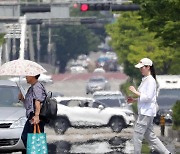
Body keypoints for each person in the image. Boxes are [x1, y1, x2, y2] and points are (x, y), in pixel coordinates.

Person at [127, 58, 171, 154]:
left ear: (148, 67)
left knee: (137, 135)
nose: (140, 69)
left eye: (142, 67)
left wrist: (135, 91)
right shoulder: (146, 80)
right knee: (150, 136)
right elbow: (146, 97)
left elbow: (148, 98)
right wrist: (134, 99)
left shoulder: (150, 81)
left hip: (146, 113)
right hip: (146, 111)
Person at [18, 74, 46, 150]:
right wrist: (22, 98)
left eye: (27, 75)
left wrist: (37, 116)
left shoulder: (37, 86)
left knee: (30, 138)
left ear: (33, 76)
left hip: (35, 117)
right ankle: (32, 151)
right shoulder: (32, 88)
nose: (26, 77)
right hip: (32, 116)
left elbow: (38, 102)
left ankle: (33, 151)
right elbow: (29, 104)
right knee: (31, 139)